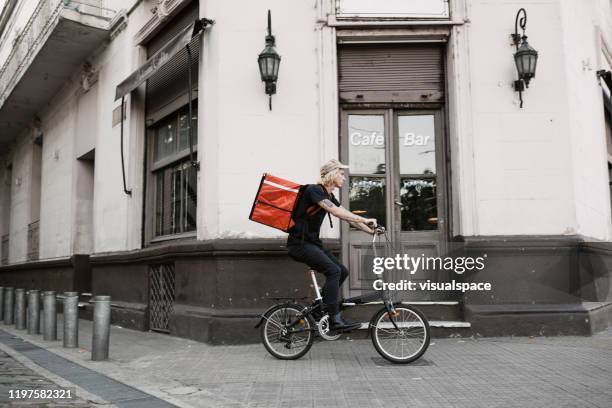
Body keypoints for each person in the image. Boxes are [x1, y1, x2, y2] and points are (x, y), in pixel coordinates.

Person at [287, 159, 378, 332]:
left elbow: (345, 215)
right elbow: (335, 211)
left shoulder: (328, 195)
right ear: (331, 174)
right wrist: (365, 219)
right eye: (341, 174)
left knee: (341, 271)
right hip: (300, 245)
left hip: (313, 244)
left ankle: (318, 310)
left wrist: (371, 231)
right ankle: (334, 320)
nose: (344, 178)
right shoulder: (314, 191)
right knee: (333, 271)